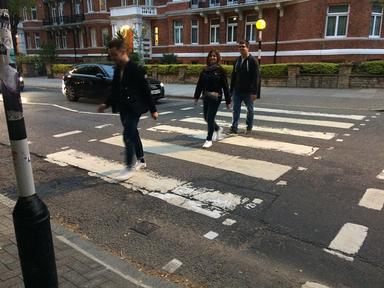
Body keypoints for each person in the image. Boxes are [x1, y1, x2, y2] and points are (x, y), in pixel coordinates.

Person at [97, 39, 158, 180]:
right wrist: (106, 104)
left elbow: (146, 90)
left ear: (122, 51)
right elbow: (115, 90)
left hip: (135, 108)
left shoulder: (135, 68)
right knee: (133, 133)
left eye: (114, 54)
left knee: (127, 136)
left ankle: (128, 167)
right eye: (110, 55)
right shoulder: (118, 69)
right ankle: (141, 160)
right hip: (123, 108)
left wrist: (153, 110)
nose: (112, 58)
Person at [194, 50, 231, 148]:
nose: (212, 57)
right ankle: (218, 129)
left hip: (216, 97)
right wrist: (196, 97)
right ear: (208, 58)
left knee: (210, 118)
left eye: (214, 56)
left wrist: (228, 100)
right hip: (206, 96)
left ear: (217, 58)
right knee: (206, 118)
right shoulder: (205, 70)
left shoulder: (220, 70)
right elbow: (199, 84)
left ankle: (209, 139)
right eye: (211, 56)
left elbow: (226, 86)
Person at [229, 40, 260, 134]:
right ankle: (234, 128)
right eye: (240, 47)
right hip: (237, 91)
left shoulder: (253, 61)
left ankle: (249, 127)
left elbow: (256, 78)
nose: (241, 48)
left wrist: (255, 92)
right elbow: (233, 76)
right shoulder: (237, 60)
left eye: (243, 46)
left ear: (248, 47)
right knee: (235, 110)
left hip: (248, 92)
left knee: (250, 110)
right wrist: (231, 90)